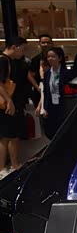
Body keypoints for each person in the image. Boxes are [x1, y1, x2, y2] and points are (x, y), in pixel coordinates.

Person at [0, 36, 28, 176]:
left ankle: (6, 167)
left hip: (6, 103)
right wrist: (9, 100)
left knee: (6, 136)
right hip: (7, 103)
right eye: (22, 49)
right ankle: (13, 165)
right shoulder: (3, 60)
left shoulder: (7, 60)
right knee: (10, 136)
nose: (22, 52)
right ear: (13, 47)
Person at [37, 47, 70, 141]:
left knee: (63, 131)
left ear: (60, 58)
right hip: (51, 106)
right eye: (48, 57)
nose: (50, 59)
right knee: (50, 131)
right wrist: (43, 107)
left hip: (63, 106)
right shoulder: (47, 73)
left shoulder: (66, 73)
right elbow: (45, 92)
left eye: (53, 56)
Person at [26, 33, 53, 106]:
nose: (46, 44)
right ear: (39, 44)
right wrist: (38, 88)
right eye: (43, 42)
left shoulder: (57, 58)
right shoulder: (36, 59)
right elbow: (30, 75)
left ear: (52, 44)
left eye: (48, 42)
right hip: (40, 90)